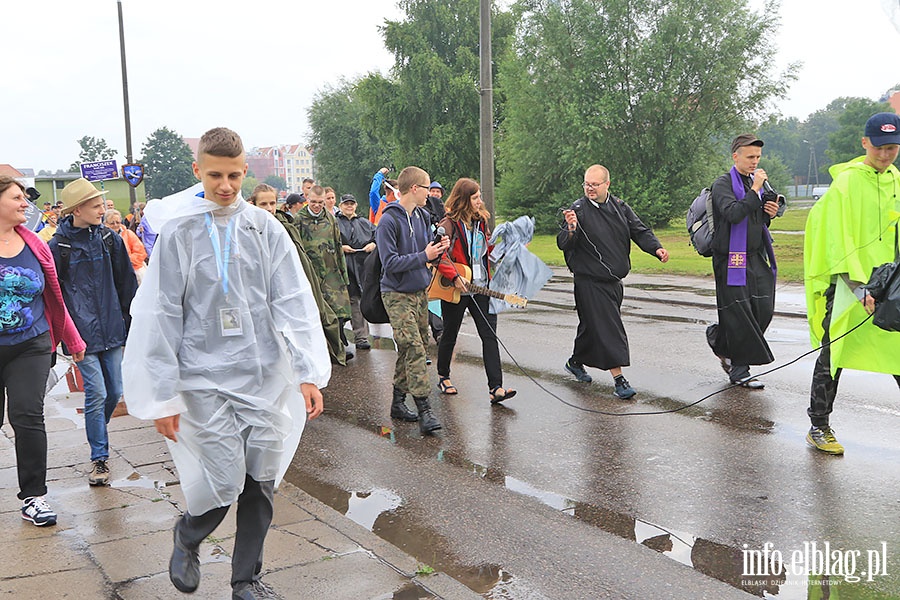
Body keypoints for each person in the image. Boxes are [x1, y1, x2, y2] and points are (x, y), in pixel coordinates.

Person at [122, 128, 330, 600]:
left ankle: (246, 580)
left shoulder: (265, 228)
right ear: (198, 171)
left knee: (261, 480)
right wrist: (162, 393)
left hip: (262, 374)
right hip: (201, 377)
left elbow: (293, 300)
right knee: (222, 479)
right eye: (215, 175)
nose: (226, 185)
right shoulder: (180, 231)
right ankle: (189, 534)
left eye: (235, 175)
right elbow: (160, 314)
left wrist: (307, 371)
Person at [803, 112, 900, 455]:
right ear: (864, 143)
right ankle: (819, 425)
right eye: (879, 147)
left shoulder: (896, 181)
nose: (886, 154)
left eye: (892, 148)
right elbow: (835, 240)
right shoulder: (846, 184)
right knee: (834, 355)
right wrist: (859, 288)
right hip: (850, 287)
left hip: (888, 288)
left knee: (897, 353)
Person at [0, 176, 86, 527]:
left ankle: (34, 497)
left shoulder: (34, 243)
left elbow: (53, 295)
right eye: (17, 197)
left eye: (25, 197)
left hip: (31, 344)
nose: (26, 203)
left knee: (28, 415)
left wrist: (73, 340)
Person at [49, 178, 138, 486]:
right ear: (78, 209)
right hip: (80, 334)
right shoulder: (58, 246)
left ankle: (97, 427)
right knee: (97, 392)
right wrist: (63, 333)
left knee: (113, 392)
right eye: (97, 205)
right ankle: (99, 458)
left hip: (112, 327)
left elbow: (127, 284)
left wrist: (131, 324)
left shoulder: (110, 240)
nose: (103, 209)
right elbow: (54, 293)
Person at [558, 165, 669, 398]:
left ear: (607, 184)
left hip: (614, 281)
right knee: (609, 328)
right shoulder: (577, 210)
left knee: (592, 326)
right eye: (586, 184)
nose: (589, 188)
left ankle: (575, 362)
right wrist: (571, 228)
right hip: (589, 282)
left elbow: (639, 230)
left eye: (594, 184)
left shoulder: (620, 207)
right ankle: (619, 380)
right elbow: (564, 243)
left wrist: (656, 248)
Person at [376, 166, 450, 434]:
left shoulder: (421, 216)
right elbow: (390, 263)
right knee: (414, 347)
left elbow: (423, 249)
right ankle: (425, 409)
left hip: (419, 291)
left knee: (411, 348)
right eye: (427, 188)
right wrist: (424, 256)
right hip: (395, 293)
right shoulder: (388, 221)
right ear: (414, 188)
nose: (430, 195)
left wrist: (437, 247)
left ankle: (397, 401)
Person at [706, 134, 781, 388]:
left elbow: (755, 219)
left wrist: (768, 212)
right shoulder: (723, 184)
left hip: (755, 255)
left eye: (758, 157)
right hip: (730, 258)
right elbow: (734, 213)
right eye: (750, 157)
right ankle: (739, 370)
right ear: (735, 156)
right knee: (739, 313)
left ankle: (720, 341)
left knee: (763, 309)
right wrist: (755, 191)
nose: (755, 162)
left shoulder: (754, 183)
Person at [435, 178, 515, 403]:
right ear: (464, 200)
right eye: (475, 197)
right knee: (450, 333)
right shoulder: (448, 224)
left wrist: (506, 249)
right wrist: (454, 276)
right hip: (458, 287)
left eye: (479, 196)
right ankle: (444, 376)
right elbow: (439, 255)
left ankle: (496, 388)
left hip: (481, 287)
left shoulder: (481, 222)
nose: (480, 201)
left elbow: (486, 251)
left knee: (489, 336)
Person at [249, 183, 345, 363]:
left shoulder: (285, 226)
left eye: (272, 203)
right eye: (264, 204)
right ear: (253, 204)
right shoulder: (244, 228)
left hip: (285, 288)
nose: (269, 209)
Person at [295, 185, 353, 363]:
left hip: (331, 273)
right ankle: (324, 351)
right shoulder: (299, 220)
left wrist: (343, 275)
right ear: (307, 200)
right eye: (313, 202)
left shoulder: (330, 218)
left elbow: (337, 246)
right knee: (317, 314)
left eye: (320, 203)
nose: (317, 206)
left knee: (339, 311)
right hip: (310, 274)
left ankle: (338, 348)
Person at [336, 193, 376, 350]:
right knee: (340, 305)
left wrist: (373, 244)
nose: (349, 206)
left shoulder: (364, 223)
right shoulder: (334, 223)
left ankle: (361, 337)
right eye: (346, 203)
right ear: (340, 206)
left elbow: (379, 235)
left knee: (358, 303)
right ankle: (338, 338)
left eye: (351, 203)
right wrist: (340, 248)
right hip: (341, 269)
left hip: (361, 268)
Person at [105, 209, 148, 283]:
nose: (115, 225)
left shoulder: (129, 234)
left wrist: (125, 260)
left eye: (118, 222)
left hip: (133, 270)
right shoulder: (102, 237)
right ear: (105, 223)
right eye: (112, 223)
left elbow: (141, 253)